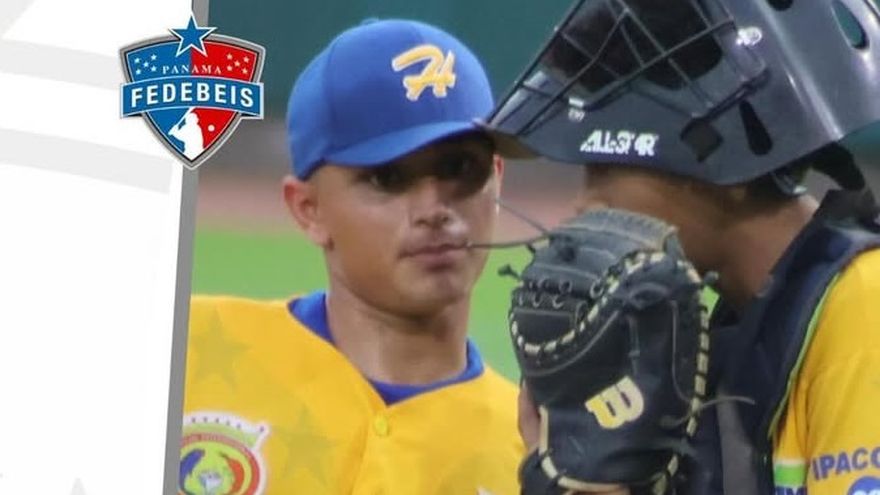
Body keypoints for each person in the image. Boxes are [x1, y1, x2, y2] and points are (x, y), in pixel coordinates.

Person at [486, 1, 880, 494]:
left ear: (721, 165)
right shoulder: (747, 330)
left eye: (604, 169)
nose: (584, 204)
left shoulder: (865, 309)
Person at [180, 19, 524, 495]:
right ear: (308, 209)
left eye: (461, 169)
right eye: (388, 178)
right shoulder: (184, 350)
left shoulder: (532, 454)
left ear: (497, 180)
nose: (435, 209)